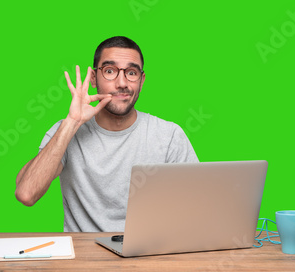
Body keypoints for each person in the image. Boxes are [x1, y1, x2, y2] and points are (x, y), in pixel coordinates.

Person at [15, 36, 198, 232]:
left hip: (147, 255)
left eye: (131, 72)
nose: (122, 83)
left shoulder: (168, 136)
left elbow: (199, 208)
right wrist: (72, 122)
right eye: (110, 71)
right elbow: (26, 193)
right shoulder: (66, 131)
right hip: (82, 257)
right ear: (94, 78)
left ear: (142, 81)